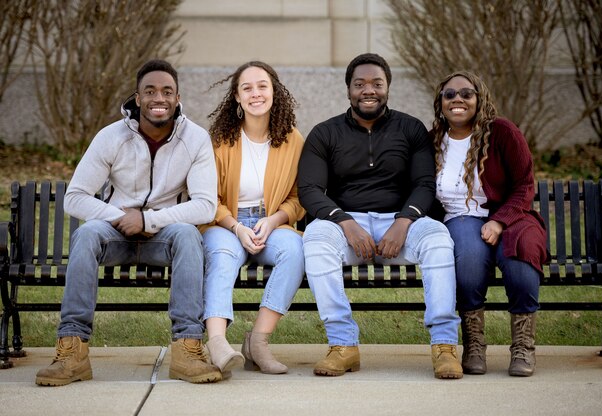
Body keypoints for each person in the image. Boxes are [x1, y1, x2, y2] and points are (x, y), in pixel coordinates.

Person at [35, 59, 221, 386]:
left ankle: (187, 348)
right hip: (116, 234)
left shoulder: (195, 139)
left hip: (164, 233)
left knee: (189, 236)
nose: (158, 98)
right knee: (87, 233)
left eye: (167, 91)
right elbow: (75, 197)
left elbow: (205, 206)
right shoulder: (111, 137)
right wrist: (122, 217)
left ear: (178, 99)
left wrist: (149, 219)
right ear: (137, 98)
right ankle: (72, 350)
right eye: (150, 91)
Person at [298, 53, 463, 379]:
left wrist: (404, 222)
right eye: (360, 84)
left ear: (388, 87)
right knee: (315, 239)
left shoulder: (411, 129)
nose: (368, 90)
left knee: (438, 239)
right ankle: (343, 344)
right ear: (348, 90)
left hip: (400, 224)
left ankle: (444, 346)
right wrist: (346, 223)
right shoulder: (325, 133)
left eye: (377, 83)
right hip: (345, 224)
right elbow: (310, 190)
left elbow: (424, 184)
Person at [431, 70, 547, 377]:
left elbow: (524, 185)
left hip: (511, 215)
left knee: (521, 263)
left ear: (479, 99)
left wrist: (499, 222)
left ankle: (523, 347)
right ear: (440, 102)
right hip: (460, 217)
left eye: (466, 94)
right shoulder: (434, 141)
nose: (458, 99)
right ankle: (475, 345)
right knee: (468, 265)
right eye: (449, 94)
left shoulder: (503, 132)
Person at [200, 61, 305, 375]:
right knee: (222, 255)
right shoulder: (219, 140)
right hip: (224, 222)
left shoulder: (292, 140)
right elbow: (206, 198)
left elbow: (299, 198)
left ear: (275, 92)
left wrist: (273, 221)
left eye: (262, 86)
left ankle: (258, 341)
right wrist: (234, 226)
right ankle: (217, 342)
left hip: (270, 222)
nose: (255, 93)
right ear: (236, 96)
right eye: (247, 88)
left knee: (296, 251)